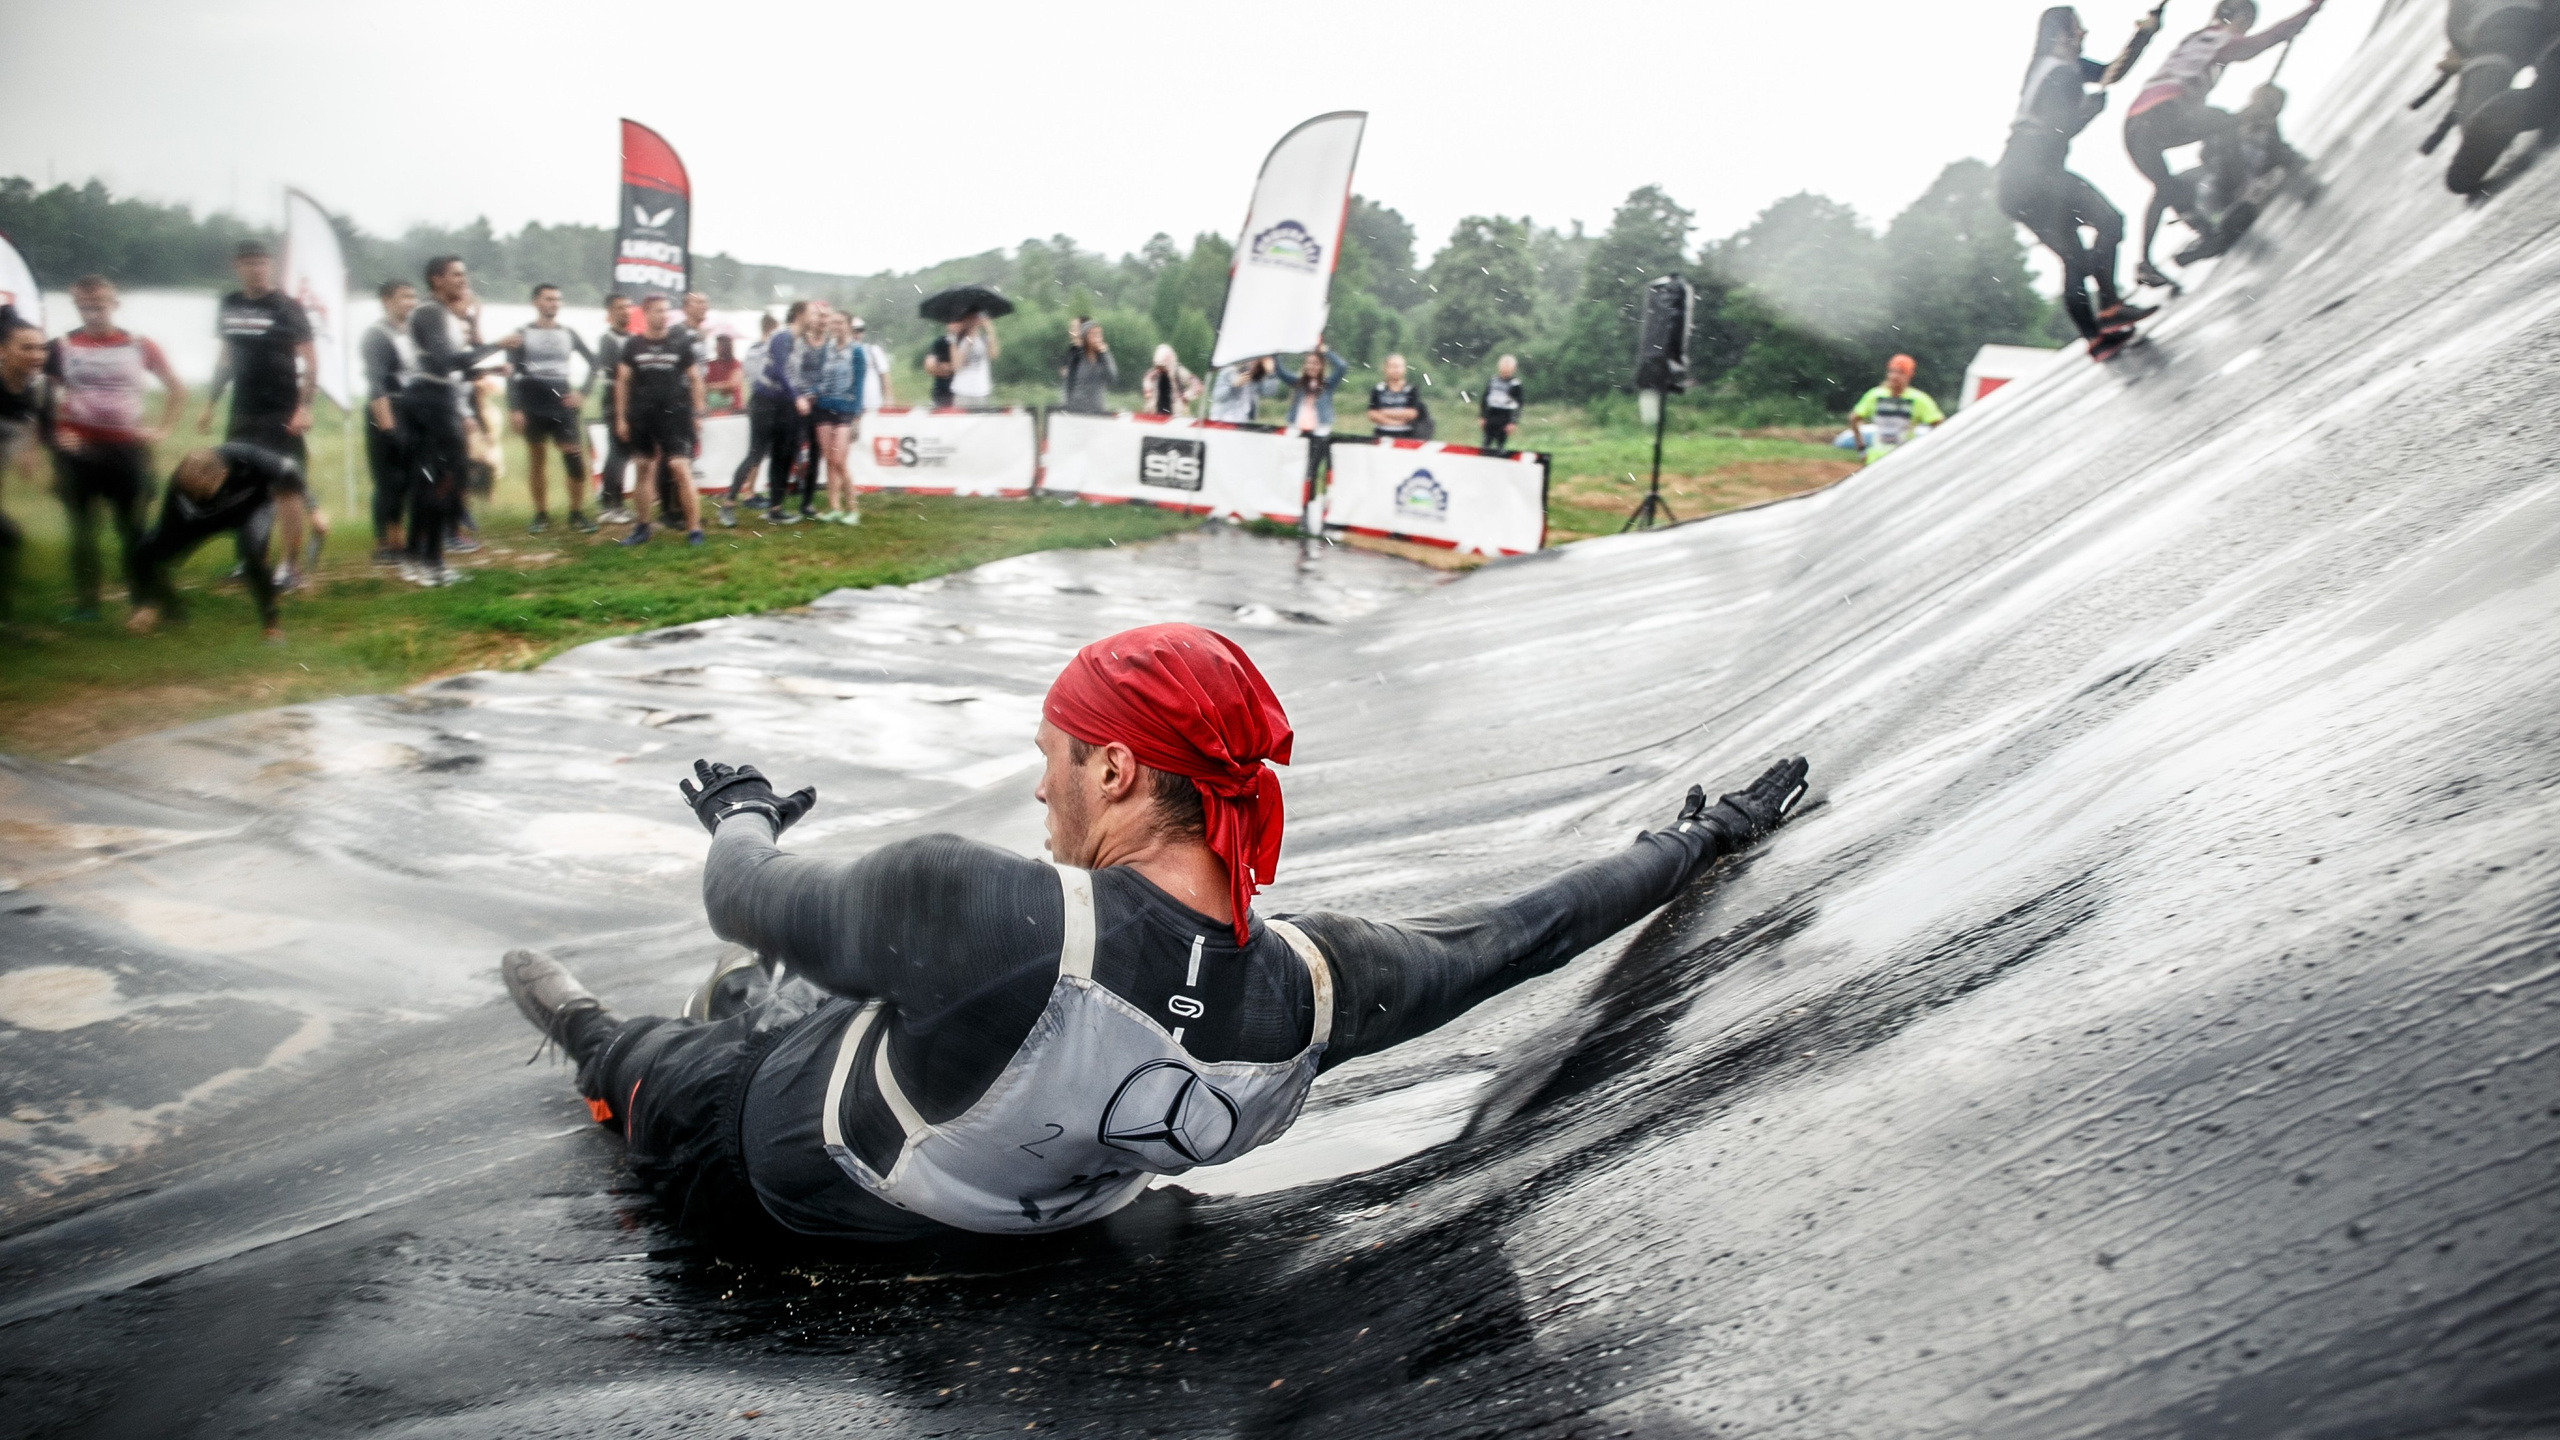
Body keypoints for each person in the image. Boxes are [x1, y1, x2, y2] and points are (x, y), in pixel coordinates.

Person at [498, 621, 1810, 1243]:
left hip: (765, 1162)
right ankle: (765, 1000)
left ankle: (583, 1022)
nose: (1038, 786)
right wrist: (1701, 843)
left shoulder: (970, 904)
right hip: (1003, 1194)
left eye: (1053, 758)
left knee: (660, 1043)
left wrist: (738, 811)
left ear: (1120, 772)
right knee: (808, 995)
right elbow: (1522, 935)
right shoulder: (1316, 988)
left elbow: (739, 883)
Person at [1995, 6, 2161, 354]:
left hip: (2016, 182)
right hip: (2035, 173)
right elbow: (2061, 128)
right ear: (2060, 35)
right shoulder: (2061, 75)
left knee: (2075, 259)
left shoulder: (2055, 69)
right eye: (2078, 29)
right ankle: (2111, 308)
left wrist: (2143, 35)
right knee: (2110, 222)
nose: (2084, 35)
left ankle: (2096, 338)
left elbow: (2110, 73)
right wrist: (2089, 110)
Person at [2124, 0, 2324, 285]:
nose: (2244, 32)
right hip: (2165, 113)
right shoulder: (2220, 38)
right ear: (2237, 20)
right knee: (2222, 122)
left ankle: (2178, 248)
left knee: (2168, 189)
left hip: (2134, 126)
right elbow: (2257, 45)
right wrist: (2304, 14)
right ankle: (2236, 193)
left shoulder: (2195, 39)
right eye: (2245, 25)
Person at [48, 276, 185, 621]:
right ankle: (87, 605)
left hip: (125, 450)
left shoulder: (139, 344)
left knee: (133, 528)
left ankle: (148, 601)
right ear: (76, 306)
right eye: (84, 306)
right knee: (82, 530)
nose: (92, 312)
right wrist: (56, 433)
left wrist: (162, 431)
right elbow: (46, 399)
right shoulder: (63, 345)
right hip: (79, 451)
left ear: (114, 305)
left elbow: (176, 388)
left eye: (99, 305)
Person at [125, 444, 309, 644]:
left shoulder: (247, 458)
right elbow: (166, 531)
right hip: (200, 520)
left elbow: (290, 472)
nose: (196, 496)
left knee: (252, 555)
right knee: (143, 553)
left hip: (249, 509)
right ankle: (167, 613)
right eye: (191, 491)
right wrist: (147, 603)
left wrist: (313, 510)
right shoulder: (179, 488)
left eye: (202, 490)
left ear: (223, 474)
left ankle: (271, 626)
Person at [404, 256, 512, 586]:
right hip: (432, 402)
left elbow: (454, 366)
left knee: (437, 482)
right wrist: (497, 345)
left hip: (440, 399)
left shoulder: (444, 315)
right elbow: (445, 361)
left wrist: (489, 370)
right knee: (444, 482)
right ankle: (431, 563)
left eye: (465, 274)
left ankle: (417, 558)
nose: (463, 281)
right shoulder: (430, 312)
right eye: (456, 275)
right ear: (436, 280)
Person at [198, 240, 316, 475]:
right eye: (249, 263)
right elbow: (225, 359)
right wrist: (210, 405)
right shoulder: (229, 304)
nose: (256, 269)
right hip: (243, 410)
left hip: (280, 410)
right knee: (238, 477)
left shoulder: (287, 306)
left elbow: (311, 362)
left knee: (287, 478)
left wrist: (303, 408)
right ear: (237, 266)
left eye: (261, 263)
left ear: (270, 265)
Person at [503, 283, 597, 535]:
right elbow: (510, 374)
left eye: (557, 299)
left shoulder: (569, 333)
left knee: (574, 458)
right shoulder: (521, 333)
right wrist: (515, 408)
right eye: (548, 299)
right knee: (537, 459)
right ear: (536, 302)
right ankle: (540, 514)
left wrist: (582, 392)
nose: (553, 304)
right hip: (532, 400)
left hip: (562, 400)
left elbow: (594, 362)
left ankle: (576, 513)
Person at [614, 293, 706, 547]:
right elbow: (622, 382)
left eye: (666, 311)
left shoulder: (679, 343)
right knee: (643, 467)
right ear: (645, 314)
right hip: (642, 415)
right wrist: (621, 418)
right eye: (658, 311)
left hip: (674, 415)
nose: (664, 316)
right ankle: (642, 526)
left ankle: (694, 529)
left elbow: (696, 379)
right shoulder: (633, 345)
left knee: (679, 467)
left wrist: (698, 412)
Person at [2440, 0, 2560, 192]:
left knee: (2479, 113)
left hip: (2487, 25)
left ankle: (2519, 107)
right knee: (2551, 80)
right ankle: (2535, 99)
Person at [360, 281, 420, 562]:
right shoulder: (376, 335)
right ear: (386, 300)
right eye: (405, 296)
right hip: (386, 409)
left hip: (411, 409)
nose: (411, 301)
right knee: (388, 481)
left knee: (407, 480)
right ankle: (384, 544)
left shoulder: (413, 332)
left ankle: (400, 542)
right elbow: (376, 383)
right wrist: (388, 427)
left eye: (413, 296)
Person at [0, 319, 52, 623]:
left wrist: (30, 451)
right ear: (3, 350)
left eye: (41, 348)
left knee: (9, 538)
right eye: (26, 347)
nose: (36, 355)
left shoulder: (36, 392)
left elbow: (34, 423)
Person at [808, 309, 867, 526]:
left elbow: (859, 385)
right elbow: (820, 377)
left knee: (840, 460)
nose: (836, 327)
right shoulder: (826, 349)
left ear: (849, 325)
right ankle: (834, 506)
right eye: (833, 323)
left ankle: (852, 507)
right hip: (823, 407)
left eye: (840, 323)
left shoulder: (857, 351)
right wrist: (812, 392)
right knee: (829, 459)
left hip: (845, 408)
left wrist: (857, 416)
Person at [1847, 354, 1946, 465]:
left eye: (1900, 372)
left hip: (1905, 460)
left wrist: (1926, 449)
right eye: (1892, 371)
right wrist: (1861, 449)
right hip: (1876, 460)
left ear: (1909, 375)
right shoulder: (1875, 395)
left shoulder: (1918, 399)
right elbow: (1854, 418)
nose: (1894, 376)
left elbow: (1939, 424)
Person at [593, 294, 635, 524]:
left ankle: (617, 502)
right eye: (619, 308)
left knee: (624, 453)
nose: (625, 311)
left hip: (631, 402)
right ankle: (608, 505)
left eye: (628, 307)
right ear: (610, 313)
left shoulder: (632, 338)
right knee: (617, 452)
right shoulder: (607, 339)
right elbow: (611, 371)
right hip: (613, 401)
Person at [927, 312, 998, 409]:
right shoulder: (957, 340)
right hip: (962, 391)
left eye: (977, 318)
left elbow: (994, 354)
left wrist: (990, 329)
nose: (974, 321)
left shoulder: (983, 339)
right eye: (970, 318)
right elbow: (957, 366)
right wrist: (967, 343)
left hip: (982, 390)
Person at [1283, 344, 1347, 436]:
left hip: (1320, 428)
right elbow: (1281, 372)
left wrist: (1326, 352)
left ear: (1321, 366)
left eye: (1315, 363)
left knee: (1318, 446)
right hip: (1297, 427)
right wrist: (1276, 353)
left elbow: (1342, 367)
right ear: (1304, 365)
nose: (1311, 367)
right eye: (1308, 363)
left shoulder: (1327, 384)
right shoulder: (1298, 382)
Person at [1059, 319, 1116, 415]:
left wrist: (1105, 354)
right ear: (1085, 338)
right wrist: (1066, 408)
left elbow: (1112, 378)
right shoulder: (1076, 357)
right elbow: (1068, 385)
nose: (1097, 338)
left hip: (1097, 411)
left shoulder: (1103, 358)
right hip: (1076, 411)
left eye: (1099, 335)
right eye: (1093, 335)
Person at [1365, 354, 1429, 440]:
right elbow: (1372, 414)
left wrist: (1384, 412)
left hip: (1406, 436)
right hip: (1380, 435)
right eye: (1392, 367)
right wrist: (1394, 422)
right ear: (1385, 369)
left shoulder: (1411, 390)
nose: (1396, 370)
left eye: (1398, 366)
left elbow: (1412, 413)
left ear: (1404, 369)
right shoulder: (1378, 390)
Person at [1208, 356, 1281, 424]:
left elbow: (1270, 392)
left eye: (1257, 360)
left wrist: (1271, 373)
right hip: (1222, 422)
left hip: (1242, 424)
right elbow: (1217, 397)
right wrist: (1233, 385)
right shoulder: (1228, 371)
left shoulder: (1255, 377)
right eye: (1252, 359)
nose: (1254, 362)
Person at [1137, 344, 1202, 419]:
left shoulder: (1179, 372)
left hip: (1177, 417)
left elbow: (1197, 385)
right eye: (1158, 367)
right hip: (1155, 415)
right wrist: (1148, 393)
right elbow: (1147, 380)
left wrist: (1186, 396)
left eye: (1162, 367)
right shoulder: (1153, 374)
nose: (1160, 370)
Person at [1479, 354, 1524, 453]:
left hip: (1505, 417)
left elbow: (1519, 405)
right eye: (1503, 370)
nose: (1505, 373)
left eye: (1507, 371)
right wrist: (1482, 416)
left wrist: (1513, 422)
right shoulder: (1493, 381)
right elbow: (1485, 399)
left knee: (1500, 446)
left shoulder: (1516, 384)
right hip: (1491, 415)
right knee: (1485, 444)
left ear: (1513, 369)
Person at [851, 317, 893, 411]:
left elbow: (885, 376)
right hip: (852, 407)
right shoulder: (844, 353)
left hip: (874, 405)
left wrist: (888, 400)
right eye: (853, 330)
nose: (856, 333)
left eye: (860, 330)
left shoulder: (873, 350)